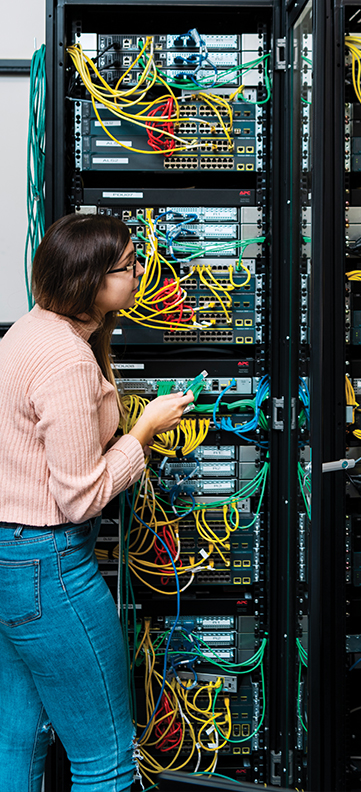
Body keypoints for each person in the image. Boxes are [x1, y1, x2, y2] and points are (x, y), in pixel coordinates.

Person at [0, 213, 194, 792]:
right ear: (89, 282)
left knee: (19, 737)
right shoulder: (65, 361)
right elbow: (80, 496)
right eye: (127, 266)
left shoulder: (31, 331)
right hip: (51, 566)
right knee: (105, 758)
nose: (139, 273)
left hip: (15, 559)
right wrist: (144, 433)